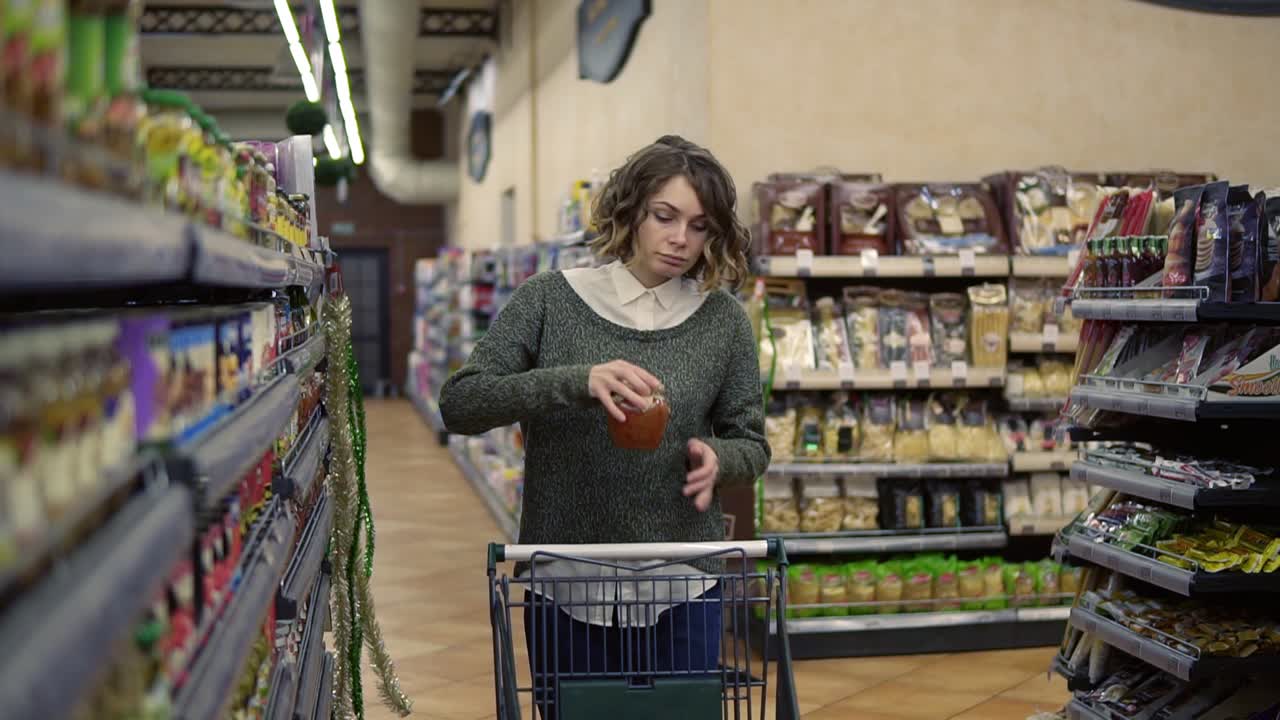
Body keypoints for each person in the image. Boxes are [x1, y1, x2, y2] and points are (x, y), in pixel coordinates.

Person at [438, 135, 769, 717]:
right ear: (630, 211)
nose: (679, 239)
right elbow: (462, 404)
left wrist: (722, 461)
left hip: (684, 582)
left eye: (699, 226)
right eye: (664, 217)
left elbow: (751, 442)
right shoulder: (548, 300)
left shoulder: (723, 321)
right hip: (567, 581)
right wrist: (575, 381)